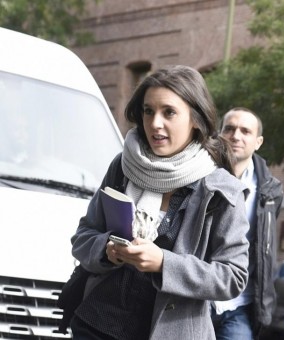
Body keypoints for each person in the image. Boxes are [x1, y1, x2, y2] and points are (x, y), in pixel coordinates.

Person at [69, 65, 250, 339]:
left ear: (196, 119)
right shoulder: (123, 166)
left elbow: (232, 277)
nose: (155, 123)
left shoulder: (221, 188)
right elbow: (83, 237)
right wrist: (107, 250)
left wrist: (164, 263)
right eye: (148, 111)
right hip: (97, 324)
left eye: (169, 112)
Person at [212, 107, 283, 339]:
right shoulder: (199, 174)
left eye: (245, 131)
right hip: (195, 301)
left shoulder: (271, 191)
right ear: (219, 134)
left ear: (258, 142)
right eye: (229, 129)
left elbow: (264, 249)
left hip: (239, 305)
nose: (236, 136)